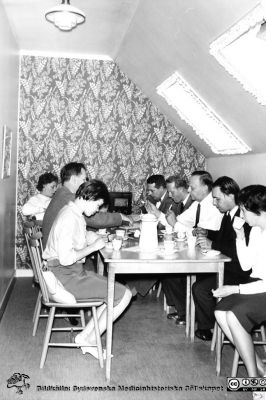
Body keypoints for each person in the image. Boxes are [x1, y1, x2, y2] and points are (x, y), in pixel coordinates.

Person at [43, 180, 132, 359]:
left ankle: (86, 337)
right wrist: (93, 247)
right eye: (98, 205)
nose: (98, 210)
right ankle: (88, 338)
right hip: (65, 277)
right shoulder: (70, 218)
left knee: (113, 290)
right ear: (90, 198)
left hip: (69, 272)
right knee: (124, 295)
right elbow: (66, 258)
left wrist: (92, 237)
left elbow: (75, 239)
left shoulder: (72, 211)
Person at [214, 185, 266, 398]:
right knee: (220, 312)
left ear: (259, 212)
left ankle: (256, 383)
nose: (241, 214)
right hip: (257, 285)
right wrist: (239, 237)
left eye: (244, 210)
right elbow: (246, 267)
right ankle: (261, 370)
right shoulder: (255, 230)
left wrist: (234, 288)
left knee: (234, 316)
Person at [192, 176, 251, 341]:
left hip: (240, 273)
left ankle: (210, 327)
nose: (214, 203)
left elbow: (239, 251)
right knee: (199, 277)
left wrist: (212, 244)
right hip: (229, 266)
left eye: (217, 199)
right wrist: (207, 233)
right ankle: (203, 318)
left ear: (231, 196)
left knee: (200, 288)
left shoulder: (244, 217)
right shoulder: (228, 214)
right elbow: (224, 238)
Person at [42, 162, 131, 249]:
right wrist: (120, 217)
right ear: (74, 179)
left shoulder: (62, 193)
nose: (85, 183)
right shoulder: (68, 197)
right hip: (57, 257)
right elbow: (96, 219)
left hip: (57, 250)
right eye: (84, 179)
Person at [160, 176, 193, 322]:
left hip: (191, 250)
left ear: (181, 189)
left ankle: (186, 313)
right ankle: (181, 309)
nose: (170, 195)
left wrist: (172, 222)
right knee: (166, 272)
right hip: (182, 246)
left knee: (171, 273)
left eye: (172, 192)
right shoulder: (179, 203)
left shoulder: (192, 204)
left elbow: (188, 229)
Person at [166, 171, 223, 238]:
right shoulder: (197, 204)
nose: (188, 190)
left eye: (192, 188)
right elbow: (178, 220)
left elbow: (201, 235)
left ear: (205, 188)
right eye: (189, 187)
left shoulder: (214, 206)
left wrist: (175, 224)